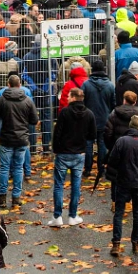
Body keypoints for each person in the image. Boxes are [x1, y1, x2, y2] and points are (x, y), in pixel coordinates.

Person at [107, 115, 138, 256]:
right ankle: (136, 242)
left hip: (123, 181)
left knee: (119, 213)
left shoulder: (121, 141)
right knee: (137, 213)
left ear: (130, 126)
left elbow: (112, 160)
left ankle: (116, 243)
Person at [0, 75, 37, 208]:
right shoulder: (28, 100)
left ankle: (2, 197)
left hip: (6, 138)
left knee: (4, 168)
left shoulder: (2, 100)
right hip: (22, 139)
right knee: (18, 168)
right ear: (20, 85)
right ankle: (16, 197)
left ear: (8, 85)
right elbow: (34, 120)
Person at [50, 87, 95, 227]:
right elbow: (92, 135)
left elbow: (57, 133)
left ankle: (57, 216)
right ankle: (73, 215)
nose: (67, 98)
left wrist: (56, 149)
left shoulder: (64, 112)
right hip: (79, 153)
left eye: (69, 96)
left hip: (63, 152)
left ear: (74, 98)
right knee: (76, 185)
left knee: (59, 184)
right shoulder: (89, 114)